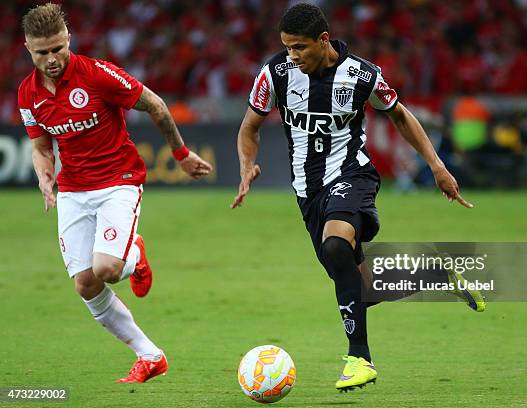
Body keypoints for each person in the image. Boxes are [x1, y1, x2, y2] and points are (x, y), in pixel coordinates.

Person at [232, 3, 485, 392]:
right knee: (359, 287)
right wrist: (247, 166)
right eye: (287, 48)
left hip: (353, 175)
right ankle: (431, 273)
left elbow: (400, 115)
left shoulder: (361, 75)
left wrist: (436, 165)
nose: (292, 56)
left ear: (323, 40)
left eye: (299, 47)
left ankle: (360, 358)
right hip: (308, 192)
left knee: (336, 245)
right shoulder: (275, 74)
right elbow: (250, 127)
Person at [17, 3, 212, 383]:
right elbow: (41, 147)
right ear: (28, 49)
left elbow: (154, 104)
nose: (52, 58)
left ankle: (135, 253)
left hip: (118, 181)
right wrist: (45, 177)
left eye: (58, 48)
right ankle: (150, 355)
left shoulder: (97, 74)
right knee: (85, 284)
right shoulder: (29, 95)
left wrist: (181, 154)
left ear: (68, 39)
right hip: (73, 189)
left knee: (107, 269)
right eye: (43, 52)